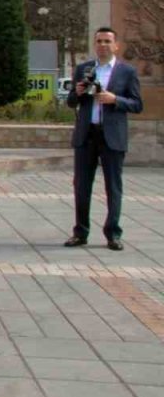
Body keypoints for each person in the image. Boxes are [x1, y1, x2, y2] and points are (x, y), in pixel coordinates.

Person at [65, 26, 144, 250]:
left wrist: (114, 99)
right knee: (81, 186)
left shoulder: (126, 72)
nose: (102, 45)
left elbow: (137, 104)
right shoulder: (84, 69)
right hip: (86, 134)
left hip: (112, 136)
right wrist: (77, 92)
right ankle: (80, 232)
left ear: (116, 45)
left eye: (107, 41)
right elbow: (71, 102)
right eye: (99, 41)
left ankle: (113, 233)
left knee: (113, 186)